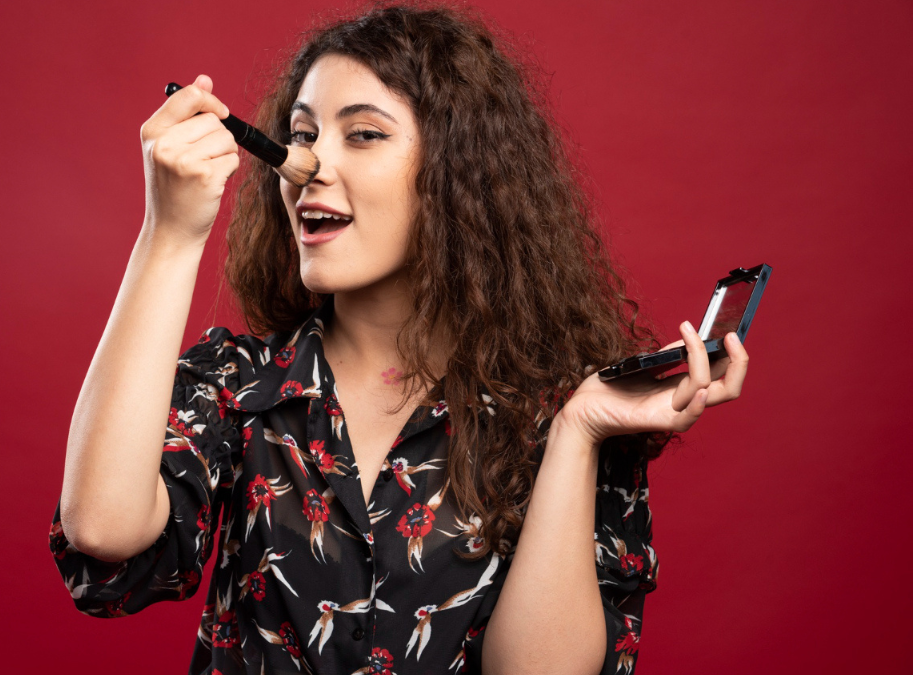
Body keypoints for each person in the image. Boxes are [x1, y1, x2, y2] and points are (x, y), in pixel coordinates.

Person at [48, 5, 750, 674]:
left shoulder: (555, 410)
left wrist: (577, 431)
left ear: (457, 174)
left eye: (362, 133)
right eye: (300, 133)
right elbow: (104, 532)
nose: (310, 165)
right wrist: (170, 234)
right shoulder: (238, 385)